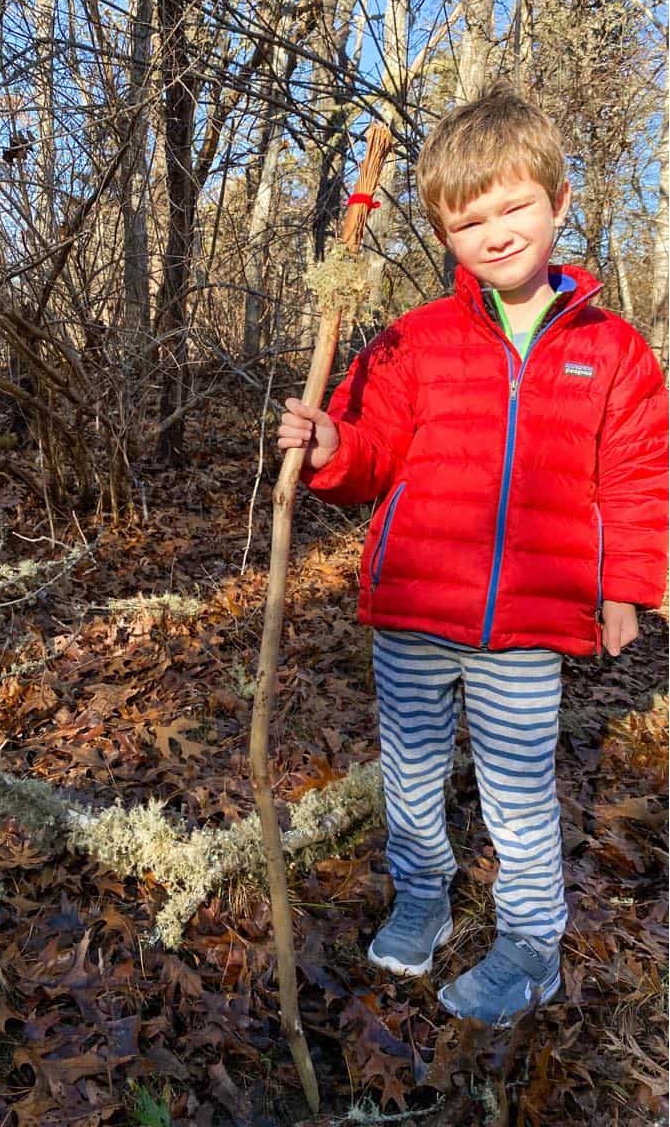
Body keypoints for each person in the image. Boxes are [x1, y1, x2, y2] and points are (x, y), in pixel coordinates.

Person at [277, 83, 668, 1027]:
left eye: (512, 207)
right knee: (409, 768)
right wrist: (332, 449)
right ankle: (420, 892)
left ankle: (530, 943)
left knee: (516, 785)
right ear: (445, 236)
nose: (494, 234)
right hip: (415, 602)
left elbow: (636, 476)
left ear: (559, 203)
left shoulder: (611, 351)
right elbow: (373, 452)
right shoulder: (417, 339)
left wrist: (624, 589)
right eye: (467, 221)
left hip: (527, 619)